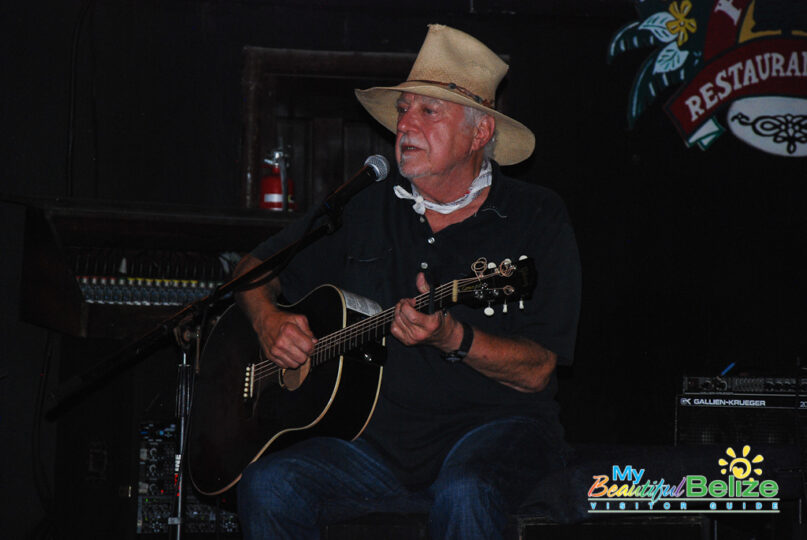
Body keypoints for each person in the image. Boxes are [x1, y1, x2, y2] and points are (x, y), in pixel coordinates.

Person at [233, 24, 581, 540]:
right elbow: (252, 269)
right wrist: (268, 322)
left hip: (493, 433)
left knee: (466, 489)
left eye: (428, 111)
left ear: (479, 134)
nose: (406, 126)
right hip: (372, 446)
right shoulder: (363, 207)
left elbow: (537, 371)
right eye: (402, 110)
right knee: (268, 484)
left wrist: (453, 338)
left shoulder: (536, 217)